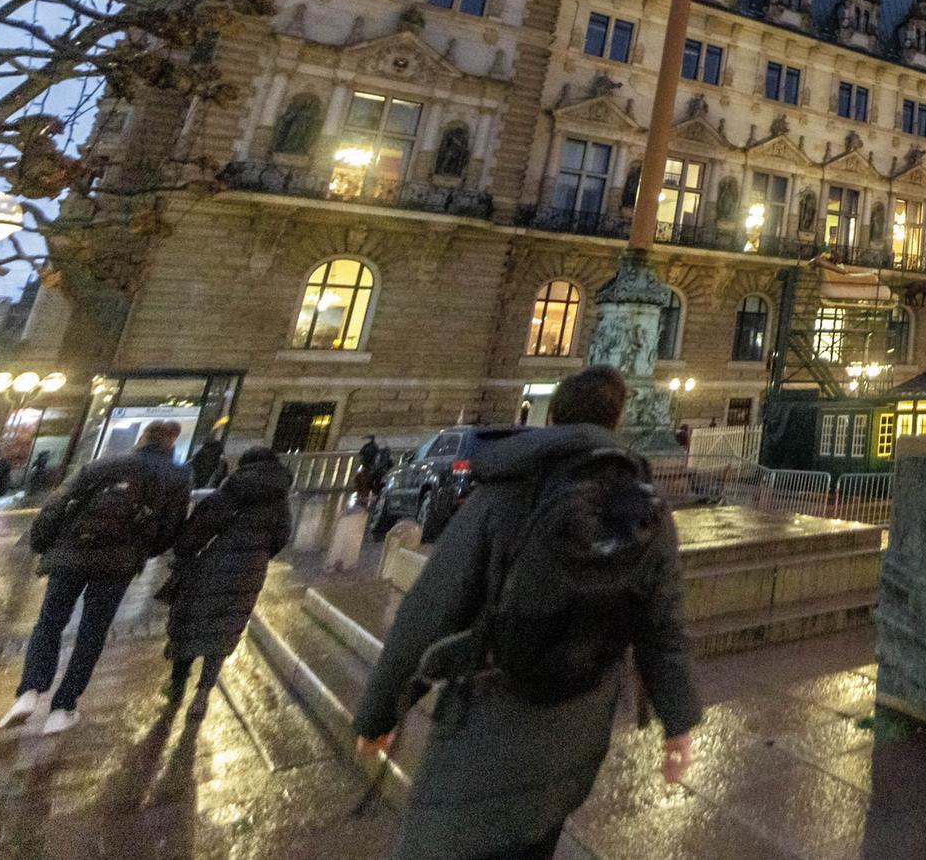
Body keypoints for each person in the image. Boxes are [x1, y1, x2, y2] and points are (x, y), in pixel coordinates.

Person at [354, 367, 698, 860]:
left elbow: (433, 607)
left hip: (487, 717)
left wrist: (380, 711)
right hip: (575, 731)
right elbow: (663, 627)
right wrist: (678, 723)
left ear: (552, 416)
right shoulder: (646, 509)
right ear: (618, 420)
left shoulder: (504, 491)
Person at [6, 421, 191, 735]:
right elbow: (171, 530)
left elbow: (57, 504)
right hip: (118, 563)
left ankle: (29, 691)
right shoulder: (177, 475)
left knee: (49, 622)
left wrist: (42, 544)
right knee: (93, 631)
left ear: (142, 438)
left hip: (71, 551)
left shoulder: (104, 463)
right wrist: (143, 551)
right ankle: (63, 707)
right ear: (171, 444)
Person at [160, 447, 294, 722]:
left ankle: (177, 683)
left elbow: (201, 525)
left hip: (211, 563)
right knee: (225, 627)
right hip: (250, 570)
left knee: (191, 622)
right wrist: (258, 555)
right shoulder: (280, 498)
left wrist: (185, 550)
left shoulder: (234, 487)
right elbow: (281, 537)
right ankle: (203, 690)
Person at [352, 436, 386, 507]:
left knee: (365, 482)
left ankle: (363, 498)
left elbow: (362, 457)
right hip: (371, 468)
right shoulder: (375, 447)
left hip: (368, 468)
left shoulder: (367, 447)